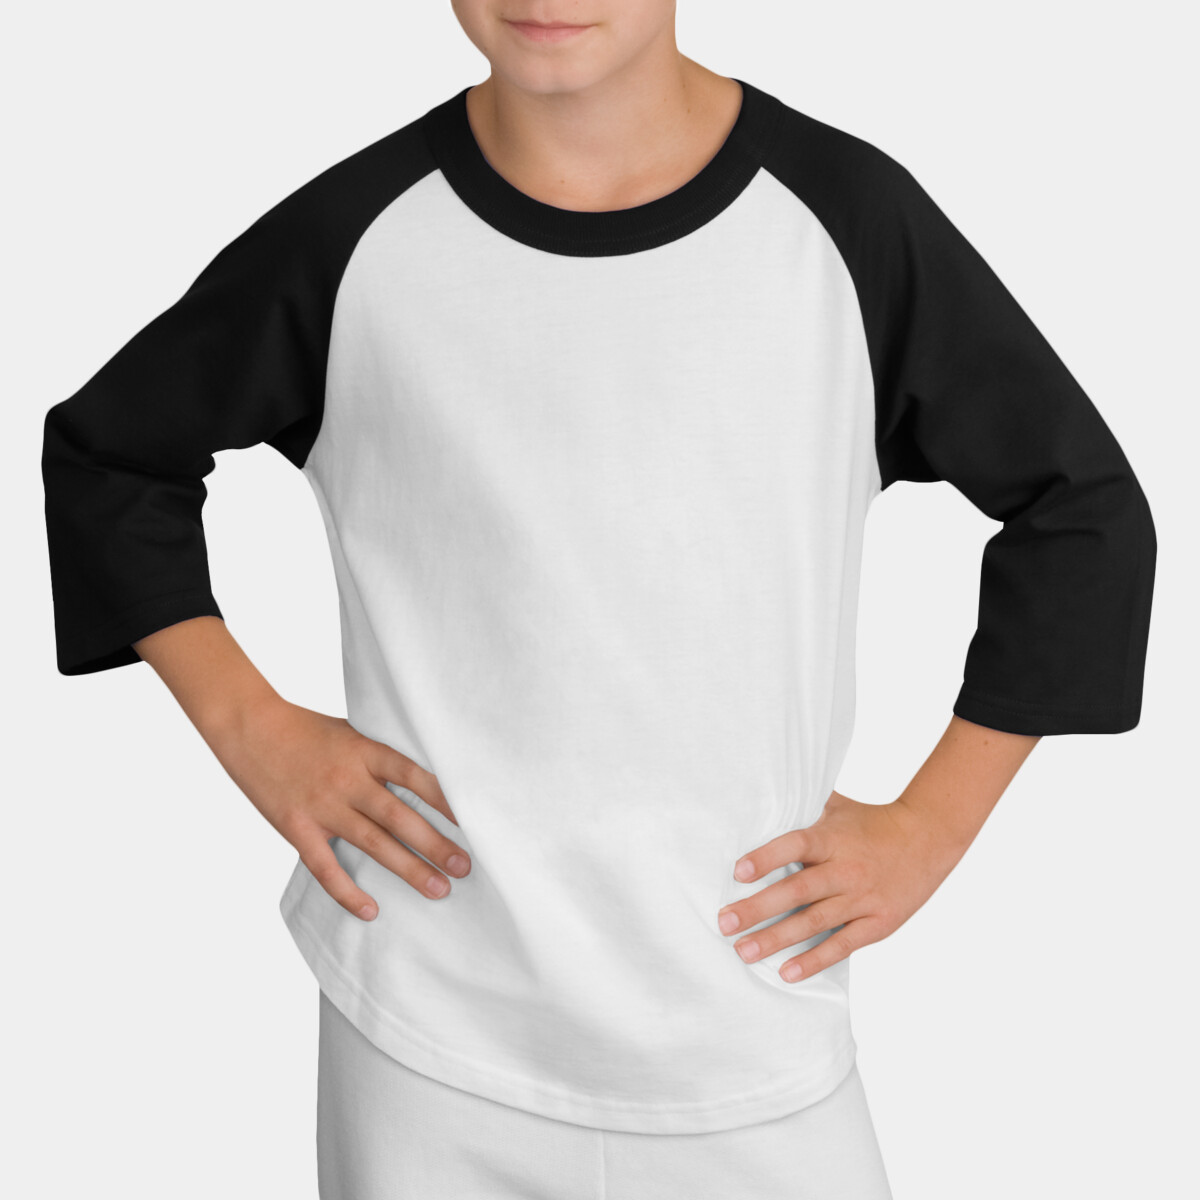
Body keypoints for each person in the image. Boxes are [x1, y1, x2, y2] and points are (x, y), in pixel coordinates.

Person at [41, 2, 1157, 1197]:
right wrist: (251, 726)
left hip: (748, 1013)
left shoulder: (843, 223)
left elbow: (1080, 513)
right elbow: (112, 456)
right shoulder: (356, 237)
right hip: (426, 1021)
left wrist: (931, 826)